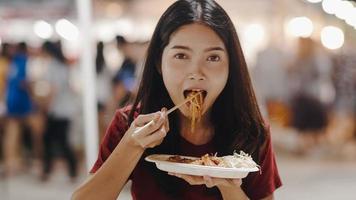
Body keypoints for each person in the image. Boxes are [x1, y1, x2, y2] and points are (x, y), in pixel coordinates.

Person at [73, 1, 281, 199]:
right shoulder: (131, 123)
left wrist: (227, 185)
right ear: (158, 63)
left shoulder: (252, 131)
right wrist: (131, 145)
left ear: (231, 67)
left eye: (213, 57)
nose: (196, 73)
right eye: (181, 56)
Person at [41, 41, 77, 181]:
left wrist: (46, 106)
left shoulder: (53, 66)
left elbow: (53, 90)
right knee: (58, 140)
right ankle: (65, 170)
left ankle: (50, 170)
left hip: (58, 110)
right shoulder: (63, 65)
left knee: (53, 140)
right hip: (65, 110)